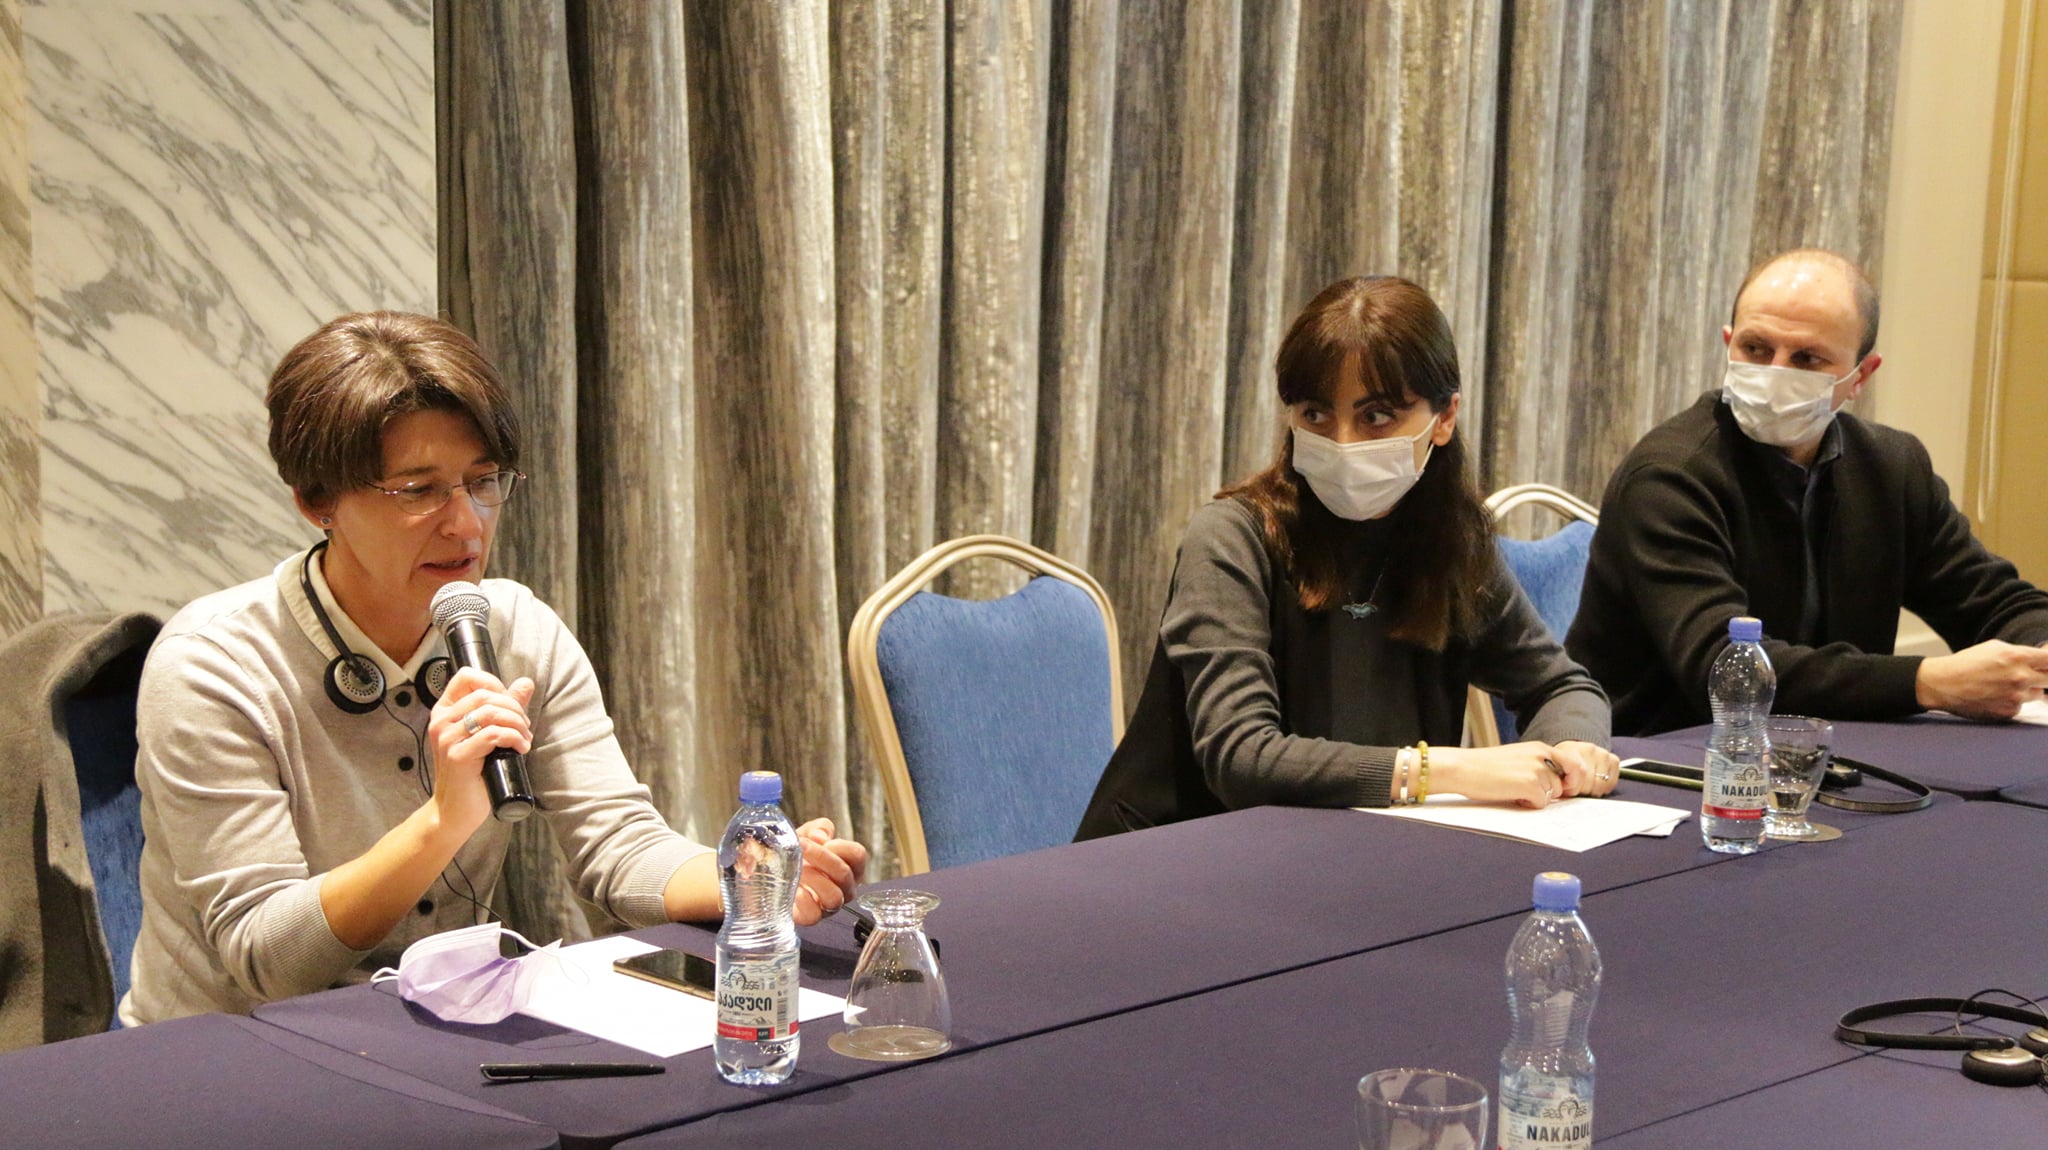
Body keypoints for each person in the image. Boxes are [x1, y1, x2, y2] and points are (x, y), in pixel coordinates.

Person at [123, 312, 868, 1025]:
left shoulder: (514, 627)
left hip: (441, 1019)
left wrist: (742, 876)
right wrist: (443, 821)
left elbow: (617, 844)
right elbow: (266, 957)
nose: (467, 524)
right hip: (229, 1048)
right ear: (317, 500)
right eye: (418, 491)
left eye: (483, 482)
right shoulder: (212, 667)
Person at [1075, 276, 1619, 840]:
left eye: (1376, 416)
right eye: (1315, 414)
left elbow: (1561, 686)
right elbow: (1242, 757)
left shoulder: (1452, 540)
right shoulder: (1231, 537)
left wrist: (1572, 750)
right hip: (1180, 853)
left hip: (1357, 848)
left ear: (1444, 418)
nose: (1343, 443)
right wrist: (1446, 771)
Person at [1566, 248, 2048, 736]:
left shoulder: (1893, 468)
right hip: (1665, 752)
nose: (1776, 371)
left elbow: (1995, 603)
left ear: (1861, 376)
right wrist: (1929, 683)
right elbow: (1725, 668)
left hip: (1834, 746)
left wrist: (2039, 650)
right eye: (1756, 348)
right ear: (1729, 344)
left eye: (1806, 358)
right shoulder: (1668, 477)